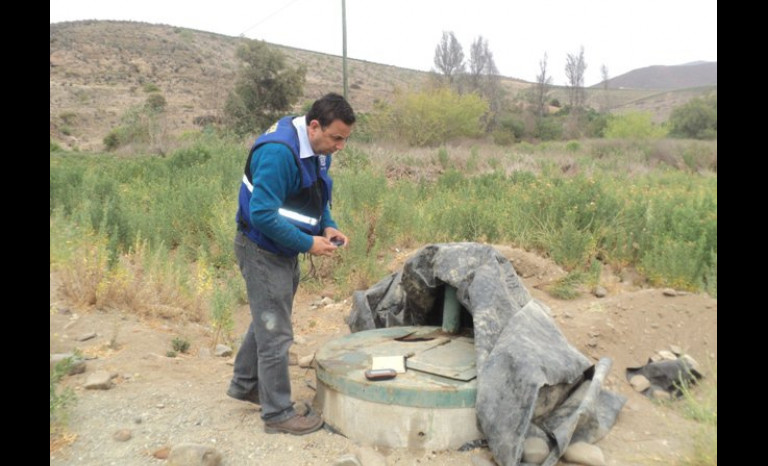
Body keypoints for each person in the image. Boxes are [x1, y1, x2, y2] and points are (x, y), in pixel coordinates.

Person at [226, 93, 355, 435]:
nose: (340, 146)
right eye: (336, 138)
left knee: (268, 318)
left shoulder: (316, 149)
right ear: (315, 126)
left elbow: (316, 195)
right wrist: (307, 243)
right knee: (276, 333)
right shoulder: (279, 153)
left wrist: (326, 225)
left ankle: (245, 384)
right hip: (262, 249)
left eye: (345, 139)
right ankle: (277, 413)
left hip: (283, 248)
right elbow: (263, 215)